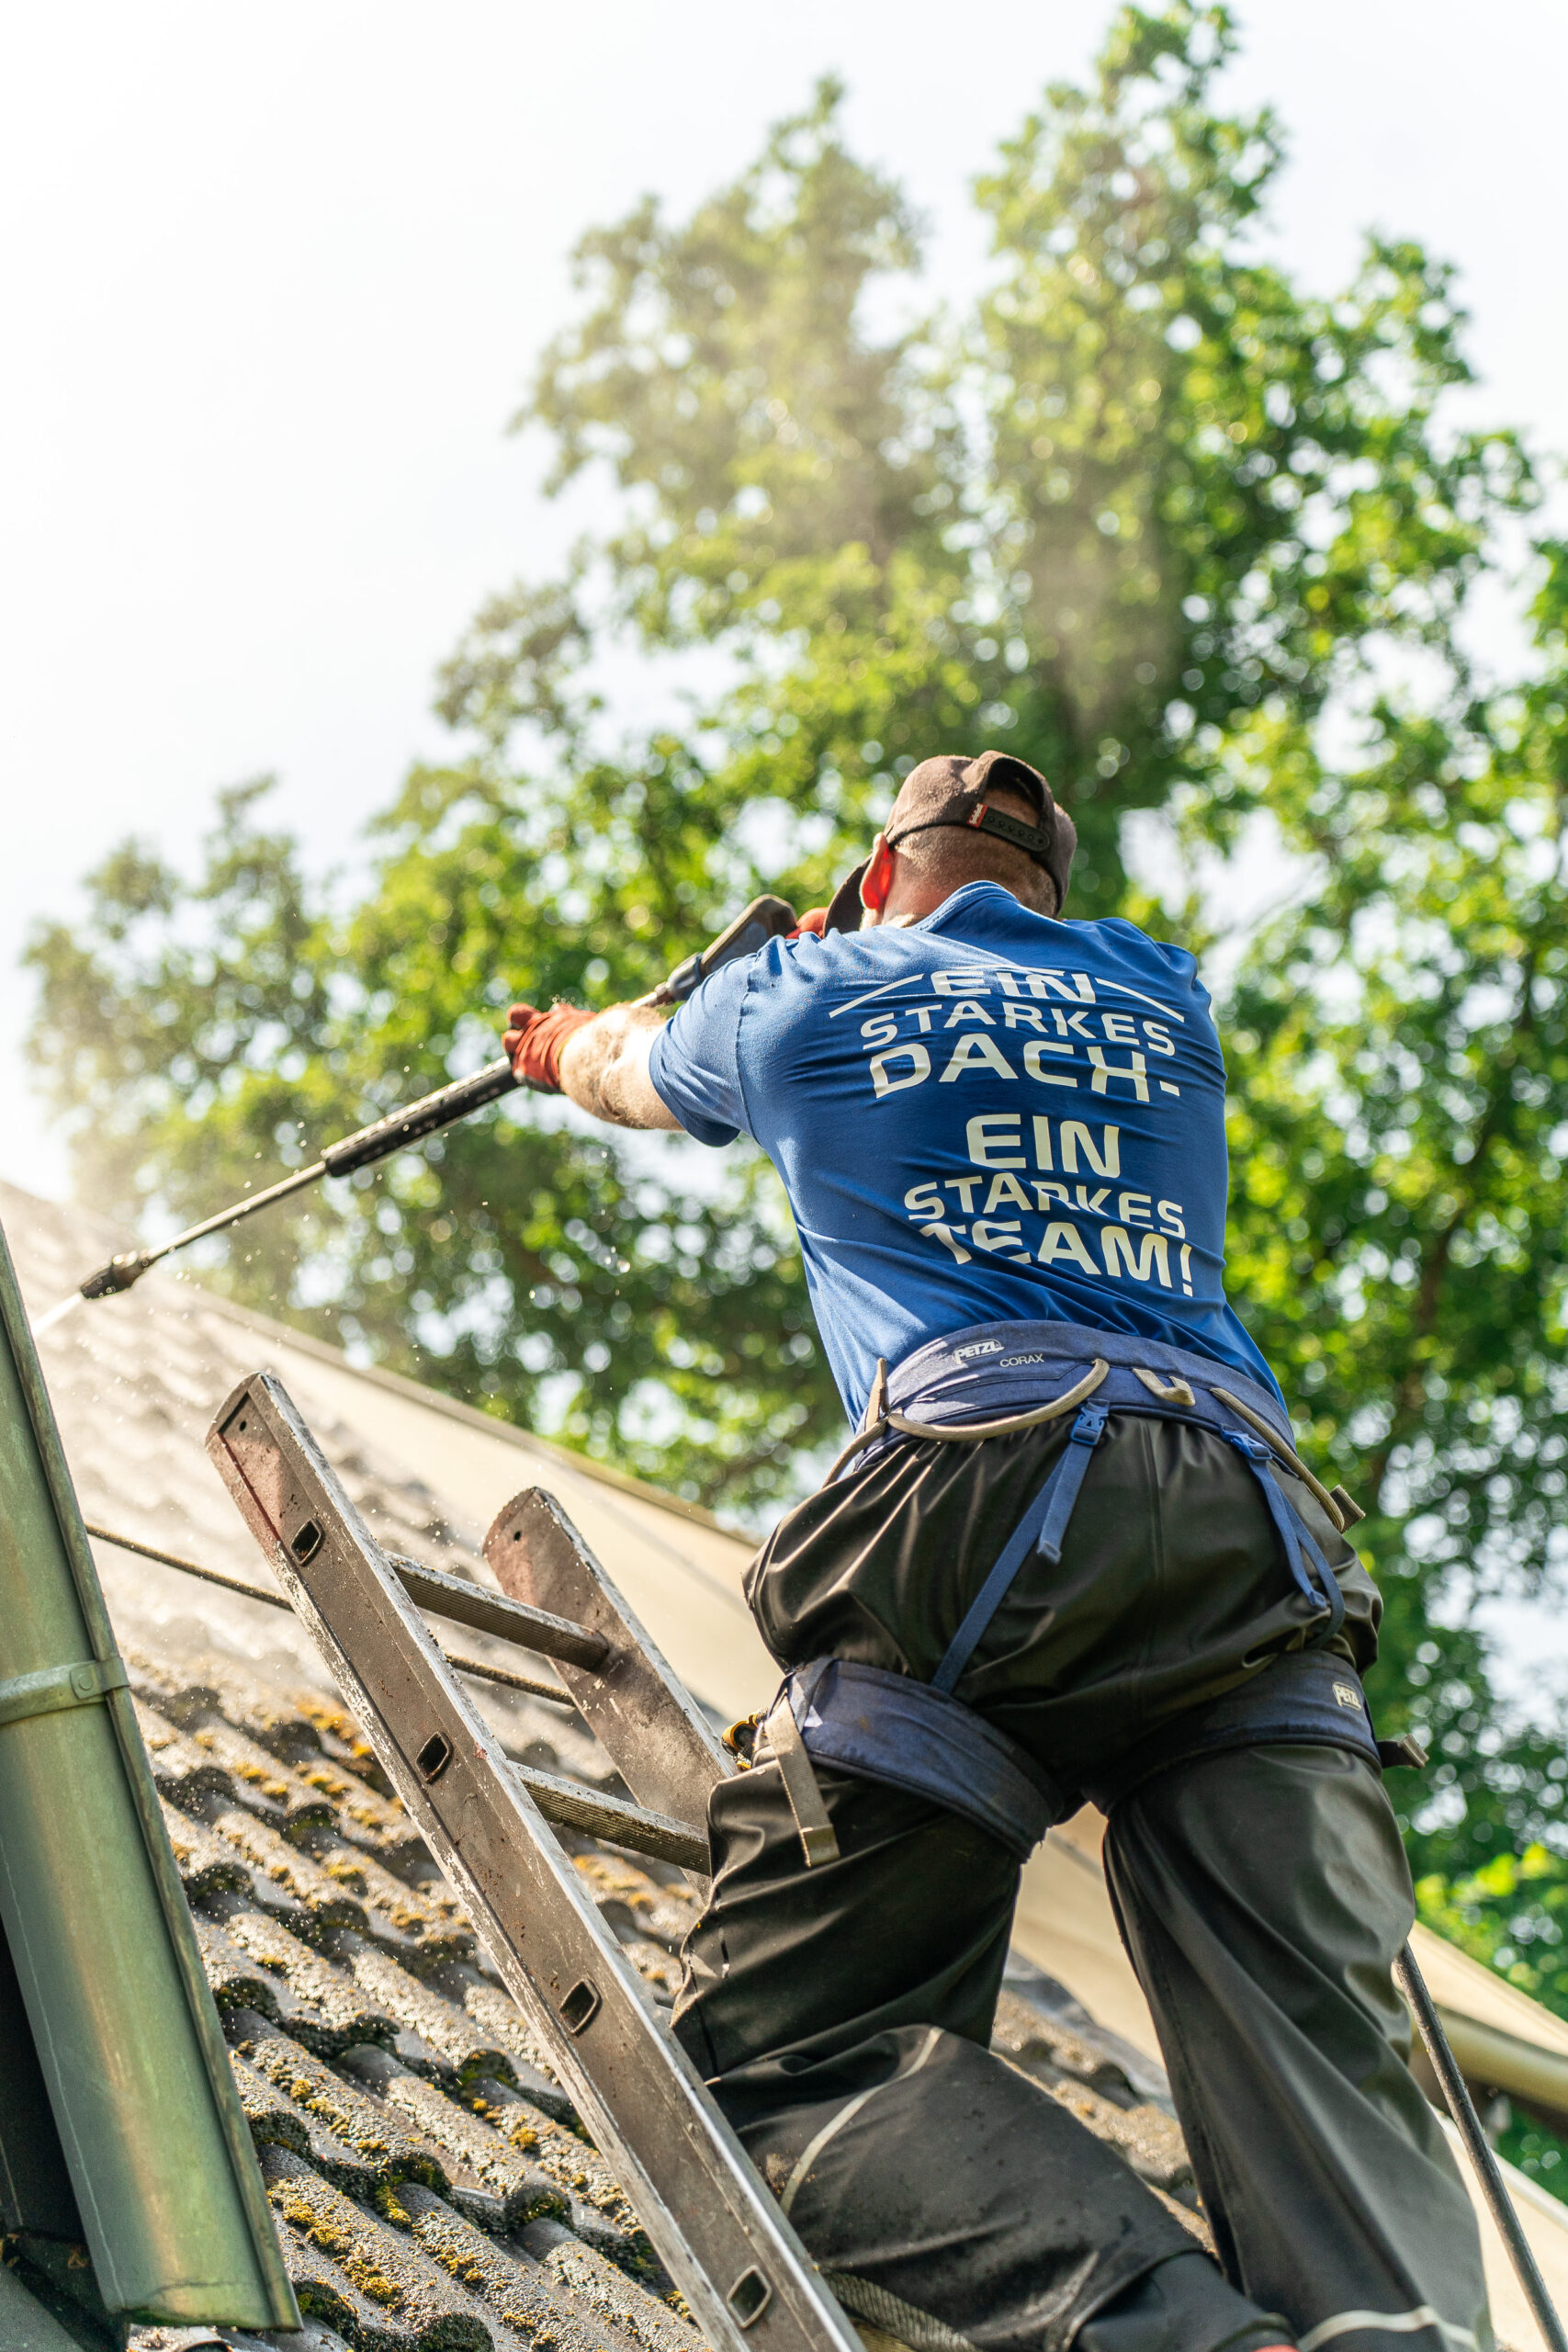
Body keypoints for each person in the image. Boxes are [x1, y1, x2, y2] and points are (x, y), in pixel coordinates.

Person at [502, 750, 1492, 2352]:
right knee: (1320, 2048)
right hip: (1251, 1541)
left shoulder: (806, 995)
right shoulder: (1165, 1004)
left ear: (879, 878)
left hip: (981, 1513)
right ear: (1052, 892)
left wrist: (565, 1044)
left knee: (782, 2070)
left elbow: (630, 1063)